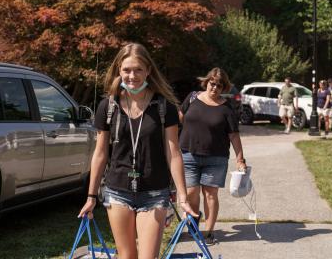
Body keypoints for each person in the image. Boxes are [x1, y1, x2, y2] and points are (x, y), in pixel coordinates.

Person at [78, 43, 196, 259]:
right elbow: (101, 153)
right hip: (117, 191)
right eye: (126, 70)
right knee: (127, 256)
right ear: (118, 71)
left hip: (154, 192)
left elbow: (174, 152)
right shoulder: (108, 106)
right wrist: (91, 196)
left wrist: (183, 196)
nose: (132, 76)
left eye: (138, 70)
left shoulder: (164, 107)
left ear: (148, 70)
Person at [179, 67, 247, 245]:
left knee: (210, 195)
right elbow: (179, 117)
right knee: (191, 193)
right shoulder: (192, 98)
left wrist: (240, 159)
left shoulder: (227, 107)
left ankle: (208, 232)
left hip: (215, 158)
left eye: (219, 85)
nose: (215, 88)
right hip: (188, 155)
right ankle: (194, 227)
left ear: (224, 87)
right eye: (212, 83)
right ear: (206, 82)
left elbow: (234, 135)